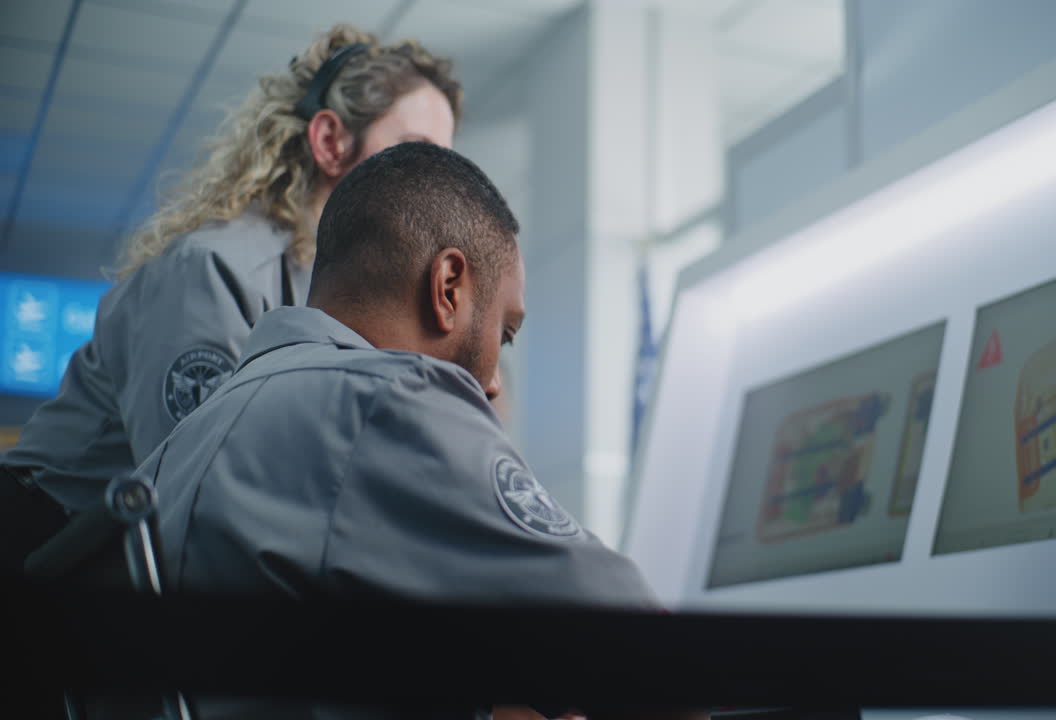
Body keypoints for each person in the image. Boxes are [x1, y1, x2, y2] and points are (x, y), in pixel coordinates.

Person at [138, 140, 691, 720]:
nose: (496, 383)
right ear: (448, 287)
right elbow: (645, 650)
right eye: (503, 334)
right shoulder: (387, 399)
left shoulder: (187, 440)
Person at [0, 23, 461, 575]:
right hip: (39, 539)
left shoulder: (327, 290)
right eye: (413, 155)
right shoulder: (215, 268)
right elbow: (201, 487)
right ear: (330, 142)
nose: (434, 189)